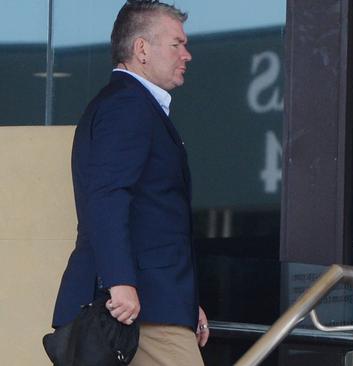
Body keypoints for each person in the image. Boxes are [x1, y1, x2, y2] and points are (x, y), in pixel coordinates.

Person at [51, 1, 208, 364]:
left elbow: (148, 217)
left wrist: (184, 302)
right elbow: (107, 196)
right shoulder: (128, 105)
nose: (186, 54)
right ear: (141, 49)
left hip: (153, 304)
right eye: (176, 44)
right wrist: (120, 283)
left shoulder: (133, 105)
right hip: (137, 313)